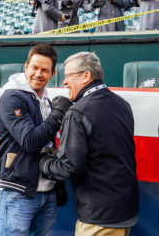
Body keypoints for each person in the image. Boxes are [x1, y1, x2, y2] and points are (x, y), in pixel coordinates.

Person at [40, 51, 139, 236]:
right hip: (125, 210)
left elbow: (68, 167)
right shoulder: (123, 104)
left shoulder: (77, 112)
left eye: (68, 76)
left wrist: (43, 162)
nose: (64, 82)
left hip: (99, 218)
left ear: (86, 76)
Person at [0, 44, 72, 236]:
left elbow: (50, 144)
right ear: (26, 66)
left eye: (45, 70)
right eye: (35, 67)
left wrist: (58, 183)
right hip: (18, 191)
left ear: (52, 74)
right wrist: (57, 115)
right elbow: (30, 141)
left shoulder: (45, 98)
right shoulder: (12, 97)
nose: (38, 74)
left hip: (47, 191)